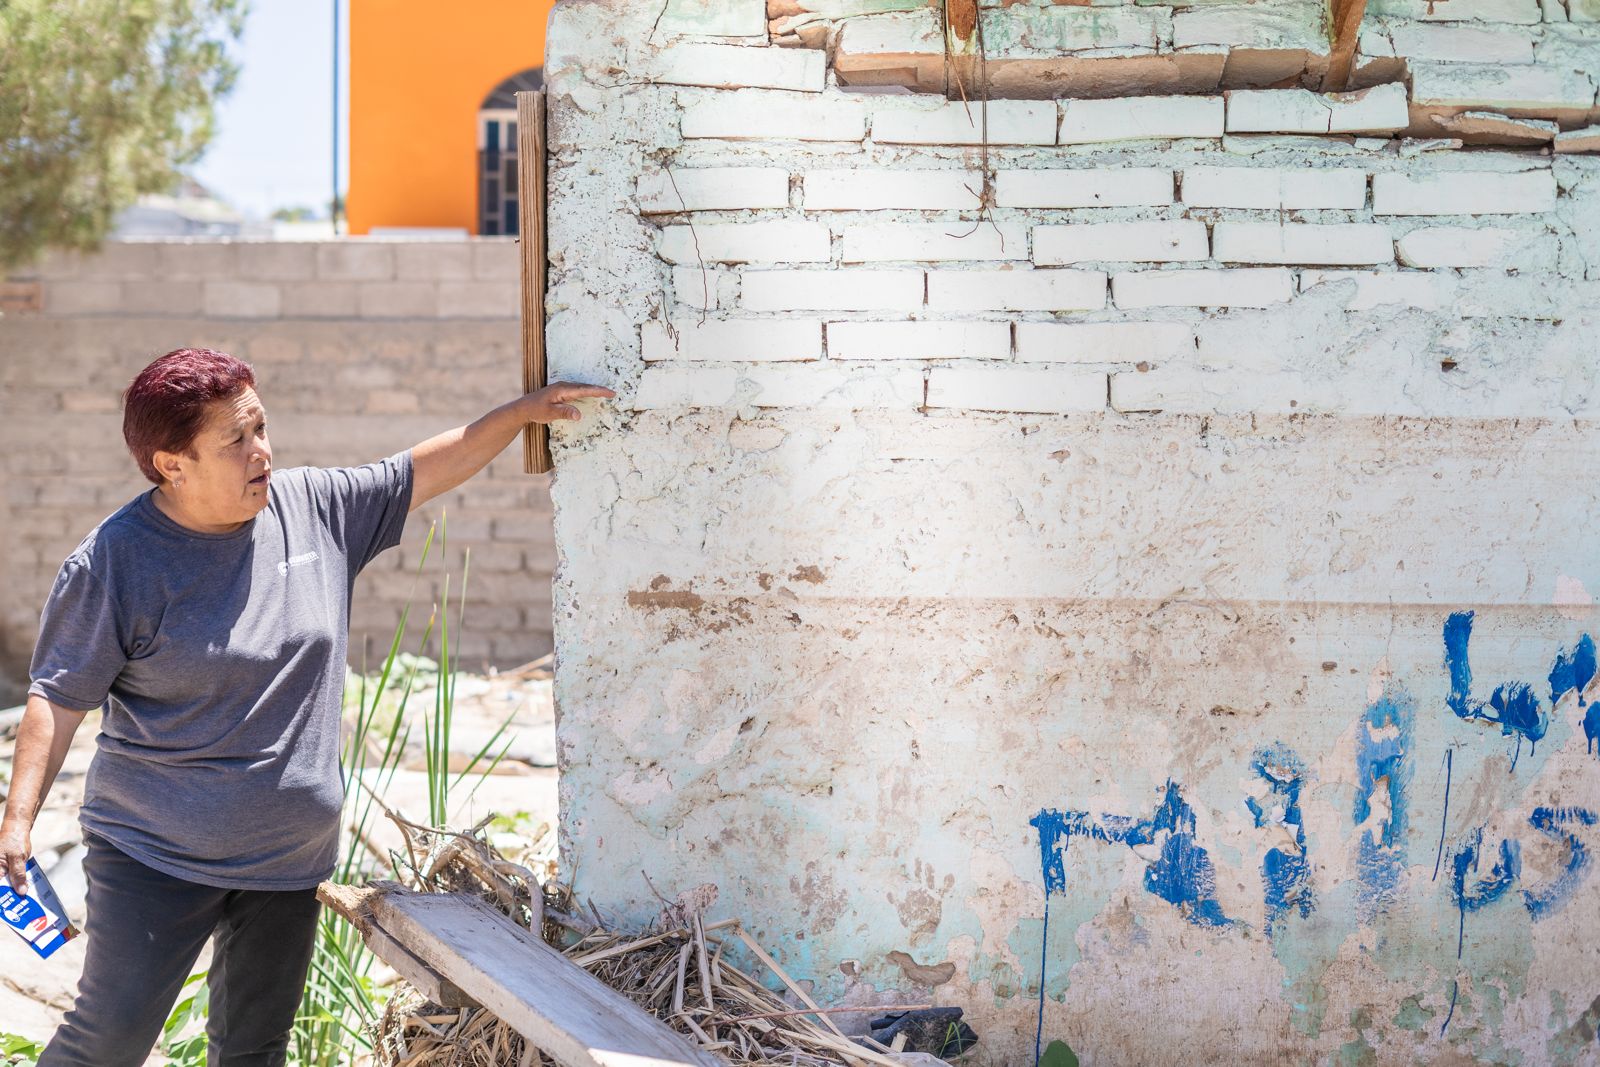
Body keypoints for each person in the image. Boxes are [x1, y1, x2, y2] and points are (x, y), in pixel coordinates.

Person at [0, 347, 613, 1066]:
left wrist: (520, 413)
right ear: (172, 465)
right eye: (235, 440)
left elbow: (423, 468)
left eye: (260, 427)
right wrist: (18, 822)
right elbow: (58, 697)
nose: (261, 451)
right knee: (110, 1040)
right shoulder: (115, 561)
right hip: (156, 855)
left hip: (286, 862)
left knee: (254, 1050)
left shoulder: (314, 508)